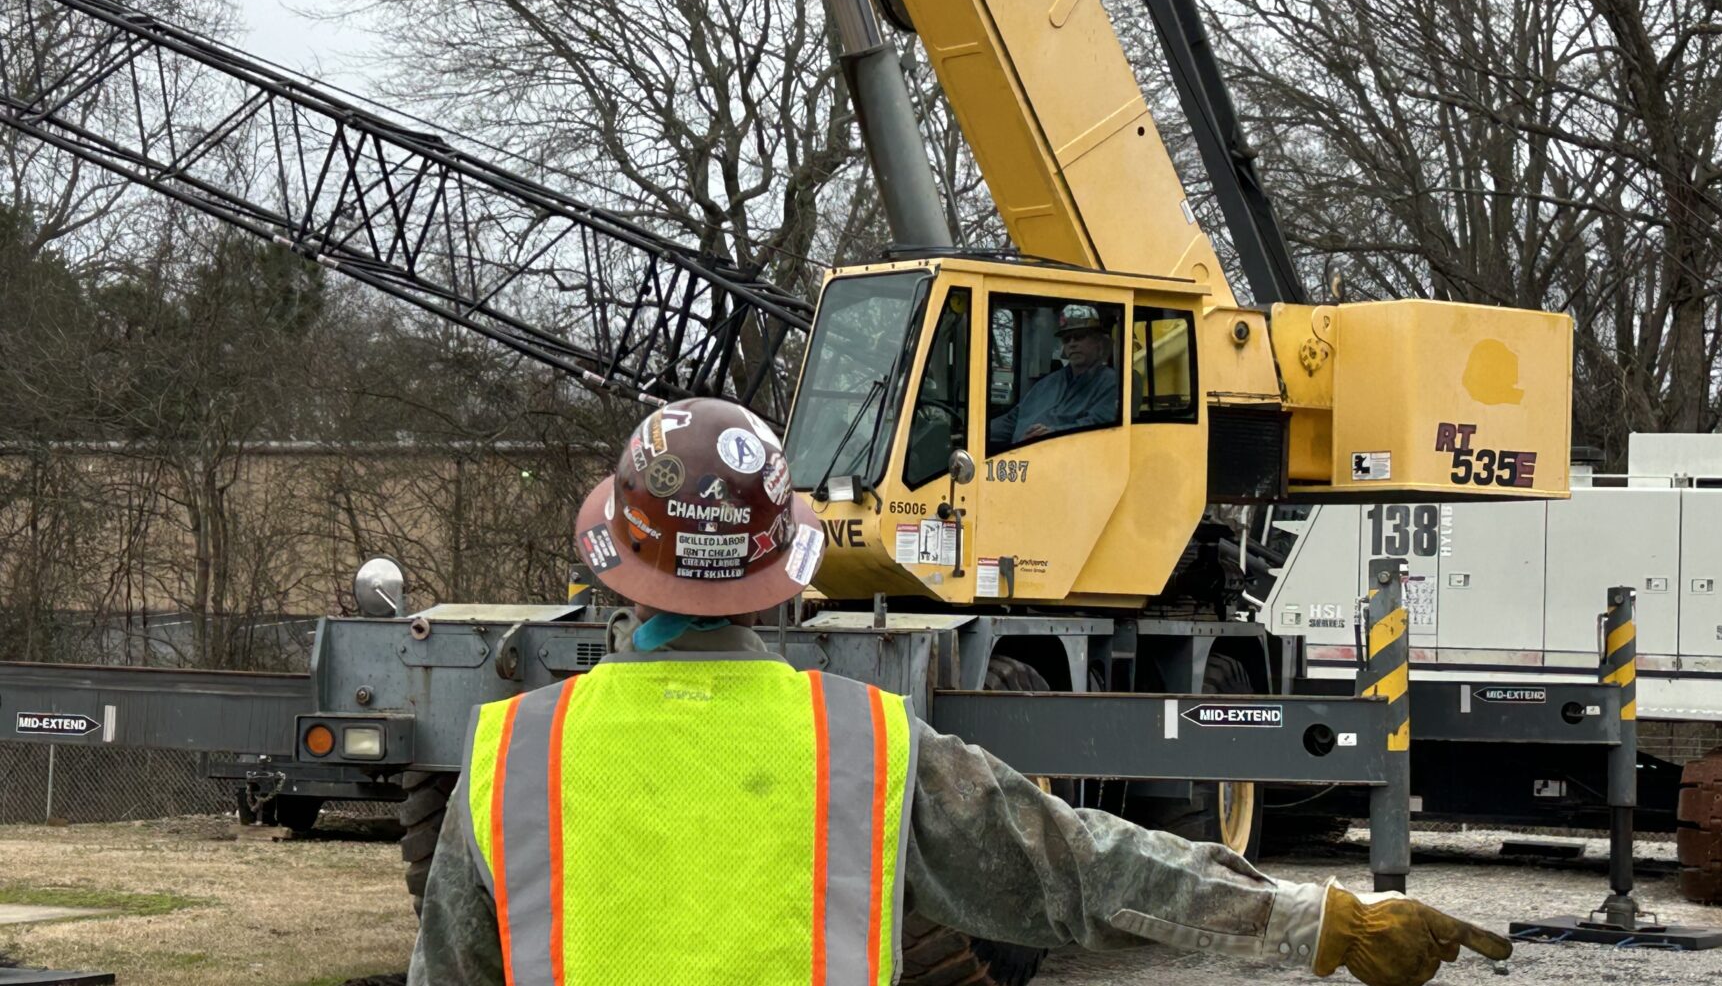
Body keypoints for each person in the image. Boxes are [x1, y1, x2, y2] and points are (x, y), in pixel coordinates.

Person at [409, 397, 1510, 986]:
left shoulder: (515, 756)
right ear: (782, 573)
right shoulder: (865, 747)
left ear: (615, 556)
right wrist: (1325, 920)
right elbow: (1090, 870)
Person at [989, 304, 1122, 446]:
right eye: (1067, 339)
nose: (1072, 344)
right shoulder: (1048, 382)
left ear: (1098, 342)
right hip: (1021, 456)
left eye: (1079, 337)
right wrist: (975, 432)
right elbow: (1013, 419)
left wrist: (1051, 434)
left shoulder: (1111, 383)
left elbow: (1099, 426)